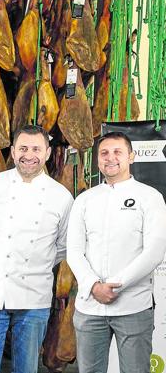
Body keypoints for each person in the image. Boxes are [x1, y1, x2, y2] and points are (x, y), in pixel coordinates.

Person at [0, 125, 74, 373]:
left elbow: (64, 244)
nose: (28, 154)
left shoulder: (61, 196)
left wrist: (38, 262)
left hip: (34, 298)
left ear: (47, 153)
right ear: (12, 151)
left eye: (35, 149)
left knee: (27, 369)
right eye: (22, 148)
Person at [67, 132, 166, 373]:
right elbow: (74, 251)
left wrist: (115, 286)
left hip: (133, 307)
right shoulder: (85, 199)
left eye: (117, 152)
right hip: (89, 308)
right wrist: (93, 286)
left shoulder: (150, 197)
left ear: (131, 156)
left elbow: (154, 251)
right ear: (97, 160)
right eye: (104, 153)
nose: (110, 158)